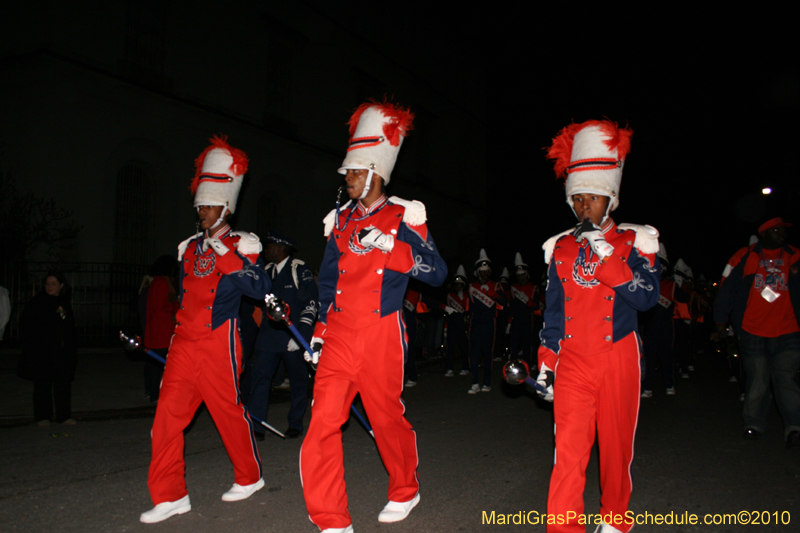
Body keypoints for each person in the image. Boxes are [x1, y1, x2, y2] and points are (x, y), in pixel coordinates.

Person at [300, 100, 447, 533]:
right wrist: (321, 332)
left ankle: (405, 488)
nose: (346, 179)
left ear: (376, 174)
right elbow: (328, 284)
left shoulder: (405, 215)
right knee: (323, 420)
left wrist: (393, 247)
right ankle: (330, 518)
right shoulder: (339, 221)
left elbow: (436, 273)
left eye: (354, 172)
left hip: (382, 333)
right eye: (346, 173)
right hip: (341, 334)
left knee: (386, 418)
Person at [140, 136, 273, 524]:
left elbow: (259, 289)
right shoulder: (187, 248)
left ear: (226, 205)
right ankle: (170, 495)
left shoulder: (243, 244)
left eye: (211, 204)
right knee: (165, 418)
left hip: (219, 340)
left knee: (227, 413)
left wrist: (228, 257)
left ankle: (250, 476)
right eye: (200, 204)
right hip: (184, 342)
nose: (203, 210)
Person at [537, 120, 660, 533]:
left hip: (618, 354)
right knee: (567, 452)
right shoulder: (561, 248)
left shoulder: (633, 242)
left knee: (615, 447)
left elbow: (645, 298)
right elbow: (553, 313)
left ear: (611, 199)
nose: (584, 207)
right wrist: (547, 361)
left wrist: (611, 260)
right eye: (578, 199)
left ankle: (615, 519)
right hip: (573, 360)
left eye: (592, 198)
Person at [712, 217, 800, 448]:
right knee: (758, 379)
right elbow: (726, 289)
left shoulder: (795, 255)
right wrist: (721, 320)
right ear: (764, 233)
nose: (782, 233)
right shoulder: (744, 256)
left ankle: (794, 427)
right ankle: (753, 423)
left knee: (785, 378)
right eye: (777, 229)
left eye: (784, 229)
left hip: (788, 328)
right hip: (752, 329)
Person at [247, 230, 318, 440]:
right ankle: (257, 425)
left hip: (292, 338)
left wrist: (301, 336)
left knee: (298, 382)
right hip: (268, 338)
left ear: (280, 248)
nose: (266, 249)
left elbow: (311, 303)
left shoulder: (298, 270)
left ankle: (295, 423)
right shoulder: (266, 271)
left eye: (269, 245)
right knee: (260, 381)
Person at [18, 272, 78, 426]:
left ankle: (64, 415)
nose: (49, 287)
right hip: (42, 351)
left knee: (62, 384)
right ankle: (42, 416)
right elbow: (27, 325)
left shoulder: (62, 302)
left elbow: (68, 325)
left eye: (53, 283)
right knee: (42, 384)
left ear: (61, 285)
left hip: (61, 351)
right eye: (47, 284)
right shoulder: (37, 302)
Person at [467, 249, 506, 394]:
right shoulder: (472, 287)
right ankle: (475, 382)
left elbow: (504, 303)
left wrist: (493, 294)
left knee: (488, 354)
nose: (484, 273)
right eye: (482, 271)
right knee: (475, 354)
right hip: (476, 323)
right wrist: (469, 323)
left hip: (490, 323)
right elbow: (470, 307)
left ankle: (487, 383)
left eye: (486, 271)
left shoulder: (496, 285)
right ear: (477, 272)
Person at [143, 255, 179, 403]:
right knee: (159, 363)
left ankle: (152, 392)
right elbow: (162, 305)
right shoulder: (163, 283)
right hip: (162, 328)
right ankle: (155, 394)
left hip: (156, 327)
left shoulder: (156, 282)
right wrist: (177, 306)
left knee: (153, 362)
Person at [509, 253, 540, 365]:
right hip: (517, 319)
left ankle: (528, 364)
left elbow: (537, 306)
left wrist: (529, 302)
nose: (520, 277)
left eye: (522, 274)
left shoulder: (533, 287)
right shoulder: (514, 287)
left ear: (526, 274)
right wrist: (509, 322)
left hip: (528, 319)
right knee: (515, 343)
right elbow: (511, 306)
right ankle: (513, 364)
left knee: (528, 344)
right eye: (519, 275)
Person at [444, 265, 470, 377]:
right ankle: (449, 368)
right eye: (456, 284)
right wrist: (445, 327)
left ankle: (465, 367)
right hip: (452, 325)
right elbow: (447, 312)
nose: (457, 286)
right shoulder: (450, 296)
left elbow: (467, 310)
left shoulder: (467, 296)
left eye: (459, 284)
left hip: (462, 325)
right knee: (450, 347)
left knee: (464, 347)